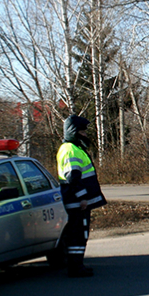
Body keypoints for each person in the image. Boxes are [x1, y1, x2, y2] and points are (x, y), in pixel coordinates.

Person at [56, 114, 107, 277]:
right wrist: (82, 197)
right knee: (78, 234)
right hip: (76, 202)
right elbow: (73, 178)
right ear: (73, 131)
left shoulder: (75, 148)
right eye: (82, 131)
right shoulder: (70, 150)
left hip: (77, 201)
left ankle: (78, 265)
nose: (85, 134)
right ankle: (75, 267)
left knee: (80, 233)